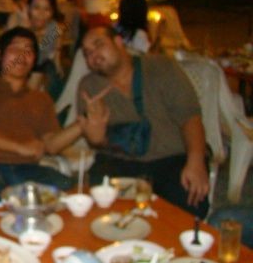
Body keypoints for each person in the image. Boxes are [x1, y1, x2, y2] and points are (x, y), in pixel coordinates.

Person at [0, 27, 106, 207]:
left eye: (29, 50)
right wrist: (20, 147)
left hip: (25, 168)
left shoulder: (41, 99)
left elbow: (50, 145)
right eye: (15, 48)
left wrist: (82, 124)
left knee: (67, 189)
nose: (22, 55)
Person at [77, 26, 210, 217]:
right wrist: (96, 139)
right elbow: (99, 141)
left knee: (189, 207)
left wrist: (196, 161)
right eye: (87, 53)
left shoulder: (161, 67)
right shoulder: (89, 87)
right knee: (98, 203)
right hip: (121, 161)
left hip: (172, 157)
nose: (93, 55)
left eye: (99, 45)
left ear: (118, 42)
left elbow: (190, 116)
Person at [7, 0, 65, 97]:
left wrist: (58, 65)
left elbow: (56, 51)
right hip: (16, 66)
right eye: (36, 8)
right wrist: (25, 27)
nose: (41, 14)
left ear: (53, 11)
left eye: (47, 9)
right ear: (28, 7)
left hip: (41, 68)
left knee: (51, 72)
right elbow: (12, 54)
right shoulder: (15, 20)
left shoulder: (54, 29)